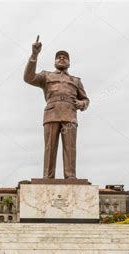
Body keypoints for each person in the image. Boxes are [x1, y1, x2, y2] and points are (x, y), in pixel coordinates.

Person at [23, 37, 89, 179]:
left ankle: (71, 177)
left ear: (69, 63)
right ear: (54, 61)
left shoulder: (76, 80)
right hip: (51, 114)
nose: (61, 58)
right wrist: (34, 55)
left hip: (70, 115)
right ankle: (47, 177)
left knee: (70, 148)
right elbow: (28, 78)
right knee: (50, 148)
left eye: (65, 57)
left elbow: (85, 99)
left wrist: (82, 104)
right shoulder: (46, 75)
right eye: (59, 57)